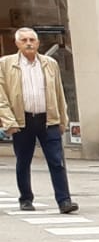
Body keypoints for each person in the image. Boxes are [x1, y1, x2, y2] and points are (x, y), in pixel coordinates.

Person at [2, 27, 79, 214]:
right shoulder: (5, 64)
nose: (29, 43)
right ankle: (26, 199)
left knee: (57, 161)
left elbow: (59, 93)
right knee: (23, 161)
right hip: (22, 120)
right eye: (24, 40)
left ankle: (64, 201)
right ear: (17, 43)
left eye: (32, 40)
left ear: (38, 43)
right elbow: (2, 97)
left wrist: (62, 119)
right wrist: (9, 122)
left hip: (48, 119)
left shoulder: (49, 63)